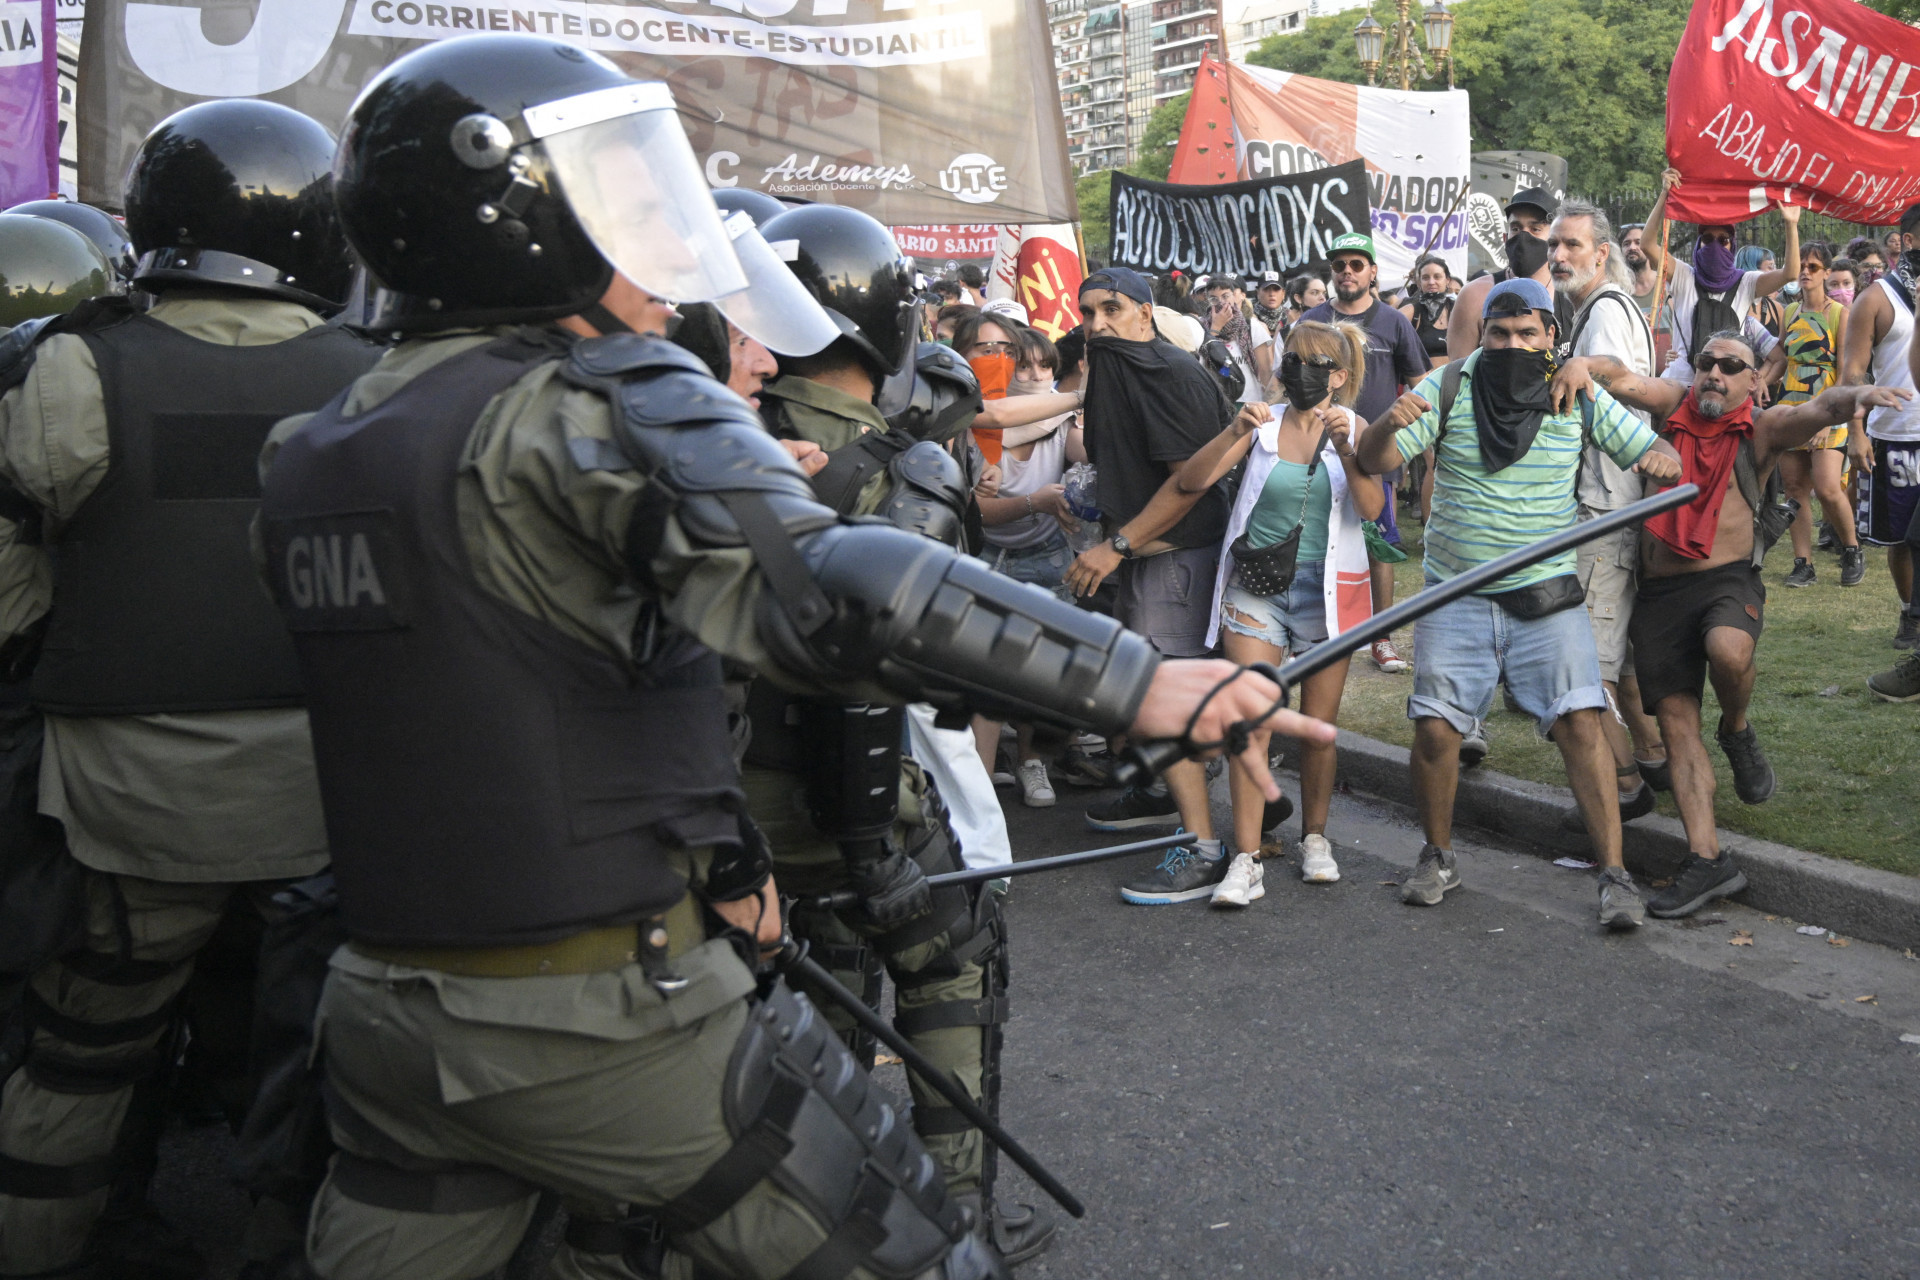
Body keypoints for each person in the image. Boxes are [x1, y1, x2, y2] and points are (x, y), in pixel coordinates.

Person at [256, 34, 1330, 1280]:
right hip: (598, 1015)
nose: (658, 246)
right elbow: (829, 592)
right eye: (620, 194)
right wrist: (1138, 682)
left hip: (388, 1002)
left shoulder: (318, 444)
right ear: (516, 213)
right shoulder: (590, 405)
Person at [0, 101, 378, 1280]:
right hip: (333, 812)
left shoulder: (75, 365)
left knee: (79, 1056)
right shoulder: (373, 381)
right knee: (321, 1068)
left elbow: (13, 600)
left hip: (124, 807)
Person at [1356, 278, 1679, 931]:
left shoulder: (1576, 393)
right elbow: (1373, 461)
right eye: (1500, 334)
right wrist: (1388, 424)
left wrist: (1663, 461)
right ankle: (1437, 855)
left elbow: (1653, 450)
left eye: (1528, 334)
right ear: (1482, 336)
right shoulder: (1447, 387)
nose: (1513, 344)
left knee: (1582, 725)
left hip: (1548, 595)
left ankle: (1614, 876)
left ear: (1551, 338)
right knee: (1436, 731)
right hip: (1457, 594)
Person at [1551, 333, 1907, 917]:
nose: (1715, 373)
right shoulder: (1671, 408)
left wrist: (1860, 393)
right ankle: (1708, 860)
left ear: (1753, 380)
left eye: (1731, 366)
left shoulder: (1762, 428)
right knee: (1678, 724)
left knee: (1729, 649)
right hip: (1660, 594)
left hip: (1726, 581)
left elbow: (1818, 409)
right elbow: (1620, 377)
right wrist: (1581, 363)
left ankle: (1737, 728)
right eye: (1706, 363)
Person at [1060, 266, 1240, 904]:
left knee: (1171, 703)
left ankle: (1204, 848)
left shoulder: (1166, 371)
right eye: (1087, 312)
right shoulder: (1113, 365)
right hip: (1144, 554)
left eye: (1110, 309)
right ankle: (1167, 789)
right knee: (1148, 697)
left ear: (1145, 311)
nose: (1097, 323)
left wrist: (1116, 546)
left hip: (1174, 555)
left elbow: (1188, 484)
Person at [1191, 321, 1382, 904]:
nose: (1299, 371)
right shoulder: (1259, 424)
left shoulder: (1355, 429)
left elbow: (1374, 508)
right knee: (1252, 723)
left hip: (1327, 593)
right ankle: (1245, 859)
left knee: (1318, 731)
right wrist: (1231, 430)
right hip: (1255, 591)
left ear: (1340, 377)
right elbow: (1193, 481)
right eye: (1291, 359)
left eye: (1315, 363)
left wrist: (1348, 448)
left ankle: (1315, 839)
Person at [1548, 200, 1668, 821]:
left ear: (1602, 254)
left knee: (1584, 667)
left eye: (1571, 245)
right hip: (1608, 505)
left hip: (1604, 505)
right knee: (1612, 657)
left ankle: (1624, 789)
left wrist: (1584, 366)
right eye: (1554, 245)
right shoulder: (1598, 308)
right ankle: (1651, 758)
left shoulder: (1605, 313)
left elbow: (1620, 382)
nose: (1558, 255)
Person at [1299, 231, 1429, 673]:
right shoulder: (1311, 322)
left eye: (1357, 264)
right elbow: (1289, 382)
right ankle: (1315, 633)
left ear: (1373, 272)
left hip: (1375, 455)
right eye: (1340, 265)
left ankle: (1382, 637)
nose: (1347, 272)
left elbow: (1419, 385)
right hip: (1315, 449)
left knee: (1381, 543)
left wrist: (1421, 447)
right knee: (1313, 538)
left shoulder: (1393, 322)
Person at [972, 326, 1084, 809]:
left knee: (1041, 672)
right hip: (984, 559)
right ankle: (978, 783)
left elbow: (1087, 454)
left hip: (1047, 560)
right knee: (983, 675)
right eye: (1024, 365)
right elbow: (977, 514)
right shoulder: (977, 425)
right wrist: (1035, 503)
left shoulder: (1062, 420)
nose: (1037, 376)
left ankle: (1030, 761)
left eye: (1046, 366)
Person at [1841, 202, 1920, 649]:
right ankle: (1911, 615)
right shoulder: (1876, 298)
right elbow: (1853, 374)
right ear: (1907, 240)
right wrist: (1855, 431)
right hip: (1896, 435)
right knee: (1902, 538)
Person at [1638, 173, 1792, 382]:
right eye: (1708, 239)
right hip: (1681, 385)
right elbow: (1647, 244)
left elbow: (1790, 273)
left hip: (1725, 387)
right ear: (1699, 244)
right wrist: (1664, 194)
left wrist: (1791, 224)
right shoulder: (1683, 275)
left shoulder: (1746, 283)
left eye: (1723, 240)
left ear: (1732, 246)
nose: (1715, 246)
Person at [1774, 242, 1864, 588]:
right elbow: (1782, 357)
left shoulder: (1840, 314)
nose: (1806, 272)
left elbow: (1845, 369)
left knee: (1827, 488)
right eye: (1803, 267)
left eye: (1813, 267)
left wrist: (1829, 420)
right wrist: (1761, 380)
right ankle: (1803, 563)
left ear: (1827, 272)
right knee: (1795, 488)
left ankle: (1852, 549)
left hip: (1827, 405)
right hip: (1792, 404)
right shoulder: (1790, 311)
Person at [1448, 187, 1561, 359]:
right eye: (1516, 228)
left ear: (1554, 240)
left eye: (1535, 229)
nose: (1524, 237)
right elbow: (1459, 375)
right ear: (1504, 238)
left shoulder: (1571, 295)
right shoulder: (1474, 296)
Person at [1196, 274, 1274, 402]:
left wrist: (1268, 403)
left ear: (1234, 296)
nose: (1221, 302)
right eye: (1214, 298)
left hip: (1249, 401)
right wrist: (1215, 328)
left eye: (1225, 296)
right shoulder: (1200, 326)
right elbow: (1202, 363)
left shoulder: (1251, 326)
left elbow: (1265, 370)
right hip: (1216, 401)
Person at [1398, 253, 1454, 369]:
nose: (1431, 282)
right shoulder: (1411, 310)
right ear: (1419, 283)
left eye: (1437, 277)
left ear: (1447, 280)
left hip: (1456, 383)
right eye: (1425, 278)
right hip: (1422, 384)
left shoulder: (1458, 308)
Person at [1252, 269, 1288, 334]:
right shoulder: (1248, 319)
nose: (1272, 294)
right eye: (1266, 289)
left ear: (1283, 294)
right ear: (1258, 293)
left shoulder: (1290, 318)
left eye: (1276, 289)